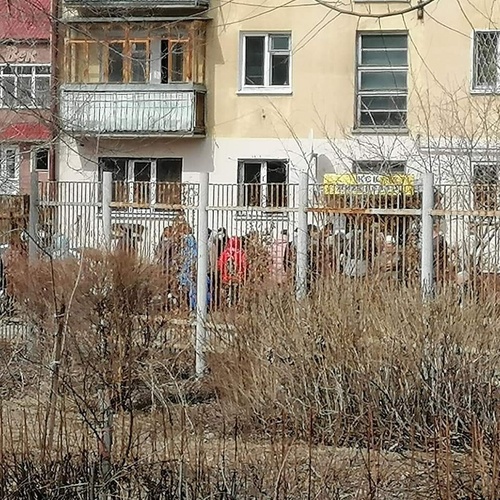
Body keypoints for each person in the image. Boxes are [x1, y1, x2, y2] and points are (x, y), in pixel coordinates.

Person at [217, 236, 248, 306]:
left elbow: (219, 265)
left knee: (227, 295)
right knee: (237, 295)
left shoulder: (224, 253)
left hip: (226, 279)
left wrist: (223, 274)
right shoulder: (242, 254)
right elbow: (245, 266)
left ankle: (227, 306)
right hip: (238, 279)